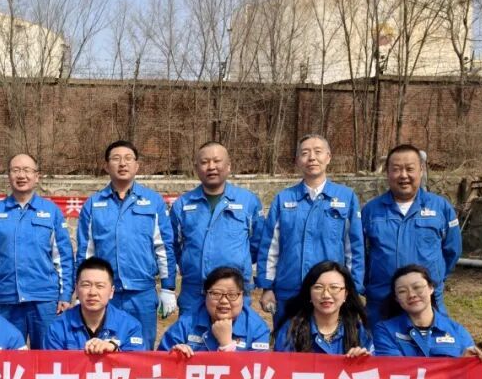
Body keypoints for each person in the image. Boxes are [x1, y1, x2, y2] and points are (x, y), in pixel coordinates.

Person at [256, 134, 364, 329]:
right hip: (289, 292)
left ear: (328, 157)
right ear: (298, 160)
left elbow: (354, 248)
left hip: (331, 295)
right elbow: (270, 247)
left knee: (331, 344)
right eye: (305, 153)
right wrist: (267, 287)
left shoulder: (346, 198)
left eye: (318, 152)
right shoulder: (284, 199)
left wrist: (352, 287)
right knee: (288, 343)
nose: (312, 158)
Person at [77, 140, 176, 348]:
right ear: (106, 166)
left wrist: (168, 288)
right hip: (105, 294)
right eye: (116, 159)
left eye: (128, 158)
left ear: (137, 166)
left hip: (142, 293)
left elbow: (164, 248)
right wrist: (80, 290)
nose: (122, 163)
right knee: (100, 350)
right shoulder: (94, 204)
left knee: (142, 351)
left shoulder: (153, 202)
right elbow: (85, 253)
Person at [0, 153, 74, 348]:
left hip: (45, 299)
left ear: (37, 176)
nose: (21, 175)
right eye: (16, 170)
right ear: (9, 175)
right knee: (7, 354)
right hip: (6, 299)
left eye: (27, 170)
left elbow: (63, 258)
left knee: (48, 354)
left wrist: (65, 295)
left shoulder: (51, 212)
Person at [362, 144, 462, 324]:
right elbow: (359, 254)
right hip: (381, 301)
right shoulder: (371, 210)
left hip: (427, 301)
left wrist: (434, 278)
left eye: (409, 169)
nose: (403, 175)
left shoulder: (441, 207)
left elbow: (452, 251)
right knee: (379, 342)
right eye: (396, 169)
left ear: (421, 170)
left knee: (431, 341)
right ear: (387, 173)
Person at [171, 142, 263, 314]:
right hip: (194, 293)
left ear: (228, 166)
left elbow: (258, 243)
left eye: (217, 161)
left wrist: (239, 261)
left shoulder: (248, 201)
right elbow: (174, 246)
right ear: (196, 168)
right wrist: (189, 263)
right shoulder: (183, 204)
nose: (211, 167)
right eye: (205, 162)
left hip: (234, 293)